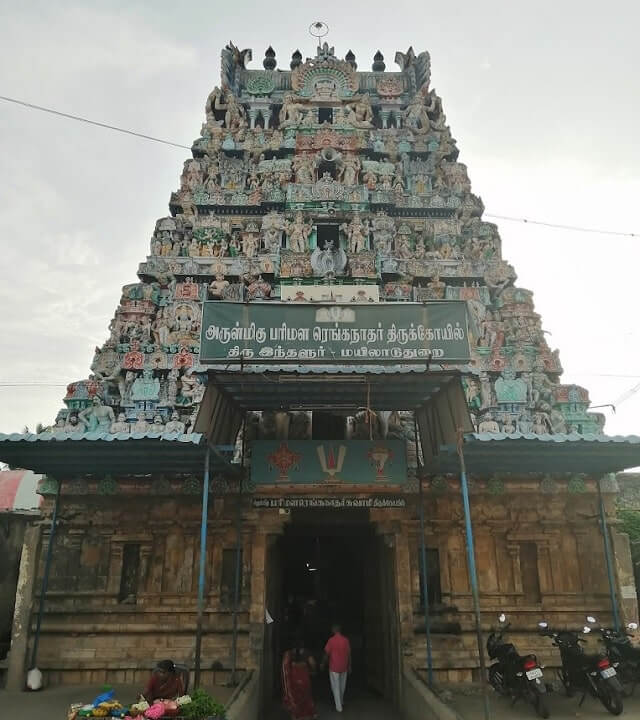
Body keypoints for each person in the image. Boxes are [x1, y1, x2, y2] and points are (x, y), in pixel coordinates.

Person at [282, 639, 317, 720]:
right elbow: (313, 663)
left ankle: (296, 715)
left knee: (295, 697)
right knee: (306, 695)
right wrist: (313, 670)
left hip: (293, 678)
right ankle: (307, 715)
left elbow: (286, 667)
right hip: (304, 677)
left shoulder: (289, 653)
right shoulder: (306, 652)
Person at [322, 624, 351, 713]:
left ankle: (339, 707)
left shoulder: (331, 640)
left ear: (334, 630)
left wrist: (323, 663)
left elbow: (327, 654)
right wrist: (350, 665)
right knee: (342, 686)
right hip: (344, 666)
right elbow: (349, 654)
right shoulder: (346, 640)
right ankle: (341, 702)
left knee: (335, 687)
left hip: (334, 667)